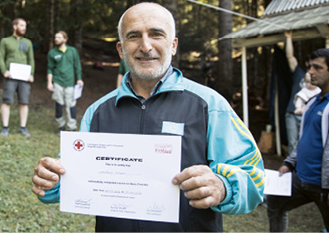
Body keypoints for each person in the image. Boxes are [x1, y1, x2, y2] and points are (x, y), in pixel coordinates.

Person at [32, 3, 265, 232]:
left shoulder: (211, 106)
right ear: (121, 50)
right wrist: (51, 181)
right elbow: (71, 178)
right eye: (134, 36)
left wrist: (223, 187)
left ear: (173, 45)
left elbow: (254, 178)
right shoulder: (97, 112)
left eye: (156, 34)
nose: (145, 46)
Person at [267, 48, 329, 232]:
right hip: (301, 180)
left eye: (317, 68)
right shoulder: (311, 102)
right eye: (310, 67)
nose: (310, 72)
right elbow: (304, 139)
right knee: (275, 203)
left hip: (323, 186)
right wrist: (290, 163)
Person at [0, 18, 35, 137]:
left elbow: (31, 59)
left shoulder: (28, 42)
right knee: (7, 101)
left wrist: (31, 74)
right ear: (15, 26)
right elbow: (0, 57)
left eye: (25, 26)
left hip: (24, 77)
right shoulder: (5, 41)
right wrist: (4, 71)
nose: (24, 28)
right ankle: (5, 127)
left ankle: (23, 127)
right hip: (10, 76)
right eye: (22, 25)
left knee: (24, 102)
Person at [47, 31, 83, 134]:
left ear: (65, 39)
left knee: (71, 105)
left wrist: (79, 78)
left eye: (58, 37)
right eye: (55, 37)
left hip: (70, 83)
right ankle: (61, 126)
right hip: (57, 82)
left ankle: (72, 127)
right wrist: (49, 82)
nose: (56, 39)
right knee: (59, 104)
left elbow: (77, 66)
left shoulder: (72, 51)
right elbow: (50, 69)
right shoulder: (52, 53)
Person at [284, 30, 307, 155]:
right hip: (292, 113)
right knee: (292, 144)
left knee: (304, 143)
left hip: (306, 115)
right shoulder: (299, 73)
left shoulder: (322, 82)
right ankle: (292, 169)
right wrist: (289, 38)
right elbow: (290, 57)